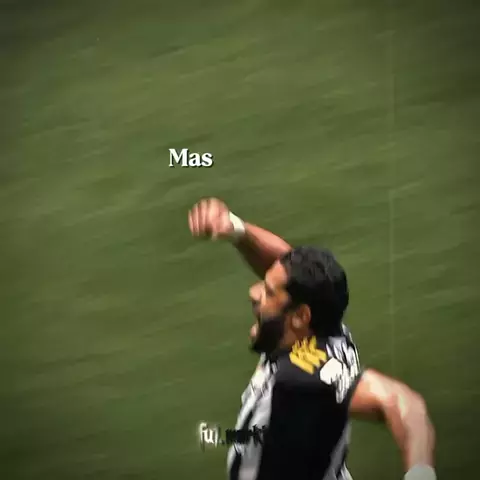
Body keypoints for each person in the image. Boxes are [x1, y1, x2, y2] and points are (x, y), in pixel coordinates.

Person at [188, 197, 436, 480]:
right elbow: (285, 266)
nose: (253, 294)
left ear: (300, 316)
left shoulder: (305, 370)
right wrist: (236, 229)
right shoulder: (318, 325)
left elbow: (400, 401)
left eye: (268, 293)